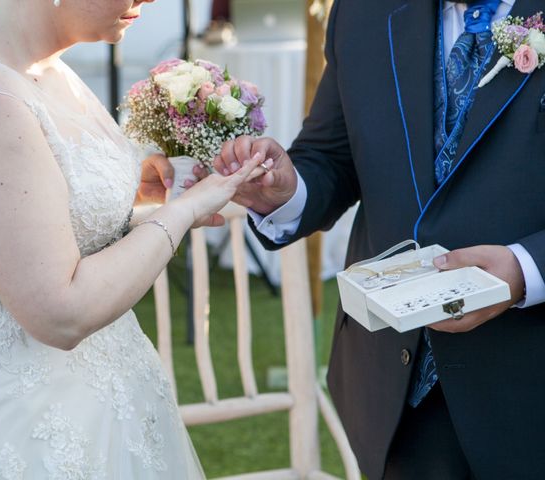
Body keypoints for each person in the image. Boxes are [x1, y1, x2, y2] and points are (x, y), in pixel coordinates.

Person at [0, 0, 265, 477]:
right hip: (17, 427)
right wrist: (181, 214)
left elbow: (36, 231)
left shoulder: (41, 65)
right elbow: (60, 313)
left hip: (108, 400)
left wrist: (134, 203)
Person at [210, 0, 545, 478]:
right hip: (396, 385)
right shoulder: (362, 11)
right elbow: (331, 154)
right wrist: (285, 192)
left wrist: (526, 267)